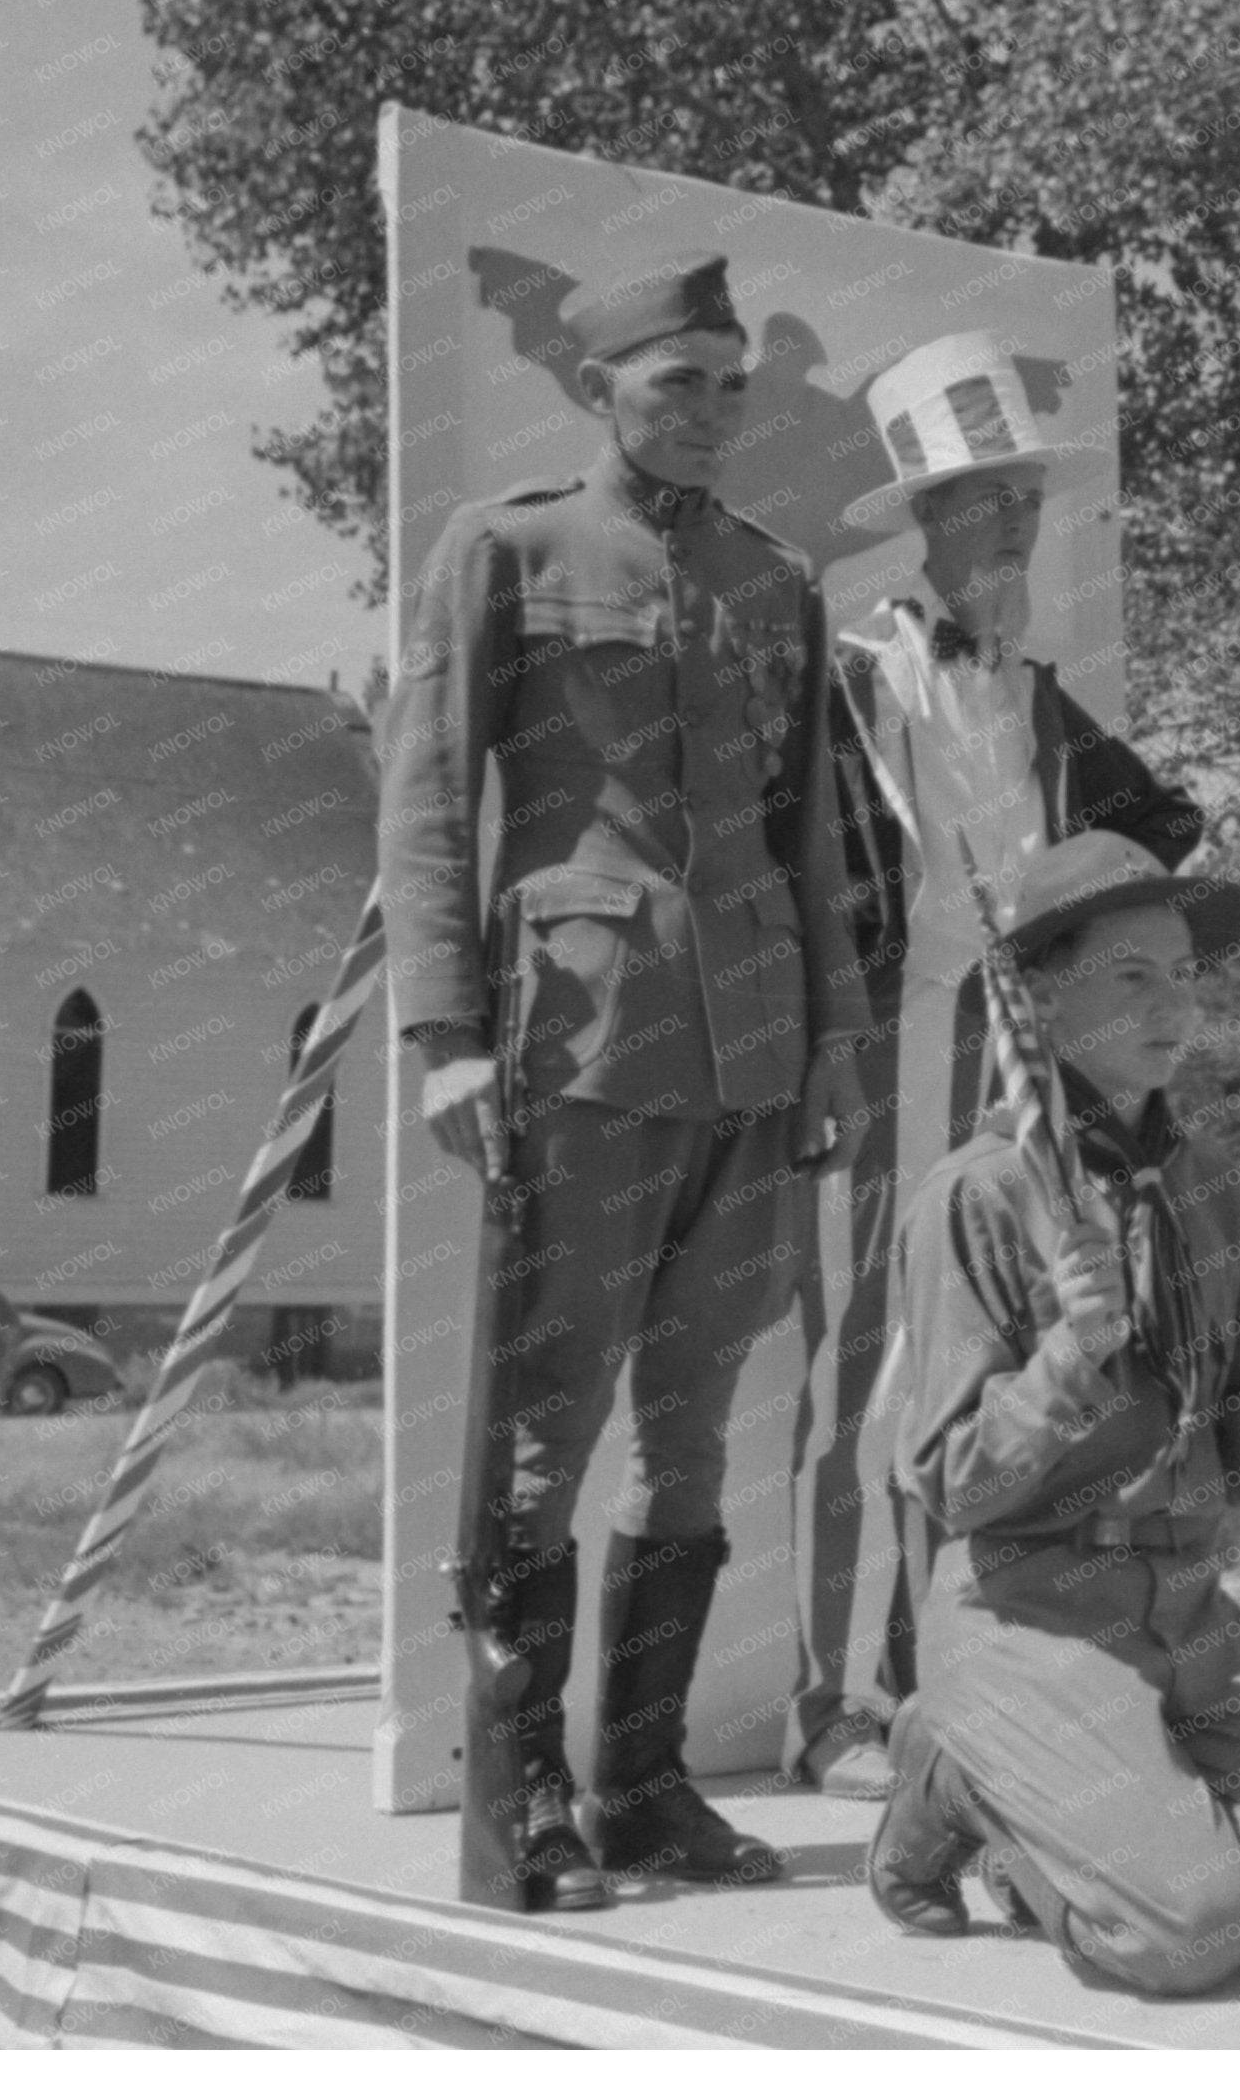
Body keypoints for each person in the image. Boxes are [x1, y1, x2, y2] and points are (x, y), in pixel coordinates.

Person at [379, 250, 871, 1904]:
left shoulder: (772, 578)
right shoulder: (506, 549)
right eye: (681, 383)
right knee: (541, 1435)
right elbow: (431, 806)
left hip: (745, 1048)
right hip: (580, 1046)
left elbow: (809, 832)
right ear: (602, 388)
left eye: (732, 382)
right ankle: (510, 1811)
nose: (713, 411)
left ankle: (642, 1789)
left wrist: (830, 1047)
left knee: (689, 1434)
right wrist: (446, 1038)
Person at [867, 831, 1240, 1999]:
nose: (1173, 1004)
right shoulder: (983, 1197)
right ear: (1040, 1001)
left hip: (1186, 1603)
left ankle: (1108, 1808)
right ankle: (955, 1771)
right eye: (1131, 975)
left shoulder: (1214, 1194)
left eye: (1185, 975)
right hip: (1032, 1605)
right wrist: (1065, 1355)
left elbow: (1229, 1457)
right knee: (1190, 1932)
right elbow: (948, 1481)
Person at [801, 332, 1212, 1793]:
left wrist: (1094, 916)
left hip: (1025, 1065)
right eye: (986, 503)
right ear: (925, 518)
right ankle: (834, 1706)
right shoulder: (852, 677)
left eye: (1027, 501)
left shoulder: (1034, 695)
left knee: (1002, 1364)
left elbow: (1164, 826)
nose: (1014, 528)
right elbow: (804, 874)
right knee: (867, 1372)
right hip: (895, 1047)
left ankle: (952, 1681)